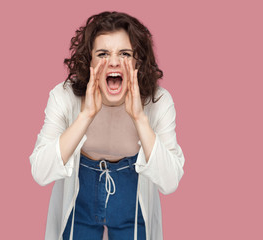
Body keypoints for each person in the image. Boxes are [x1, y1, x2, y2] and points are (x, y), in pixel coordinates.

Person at [29, 11, 185, 240]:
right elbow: (41, 172)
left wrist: (140, 119)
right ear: (88, 61)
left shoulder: (158, 101)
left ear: (137, 62)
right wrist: (86, 116)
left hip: (131, 205)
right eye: (103, 53)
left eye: (124, 53)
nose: (113, 61)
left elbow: (170, 181)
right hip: (79, 204)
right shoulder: (63, 97)